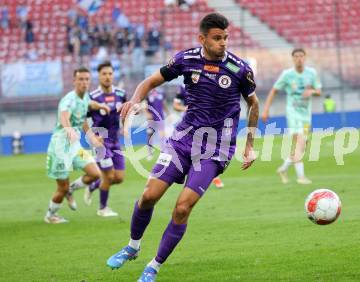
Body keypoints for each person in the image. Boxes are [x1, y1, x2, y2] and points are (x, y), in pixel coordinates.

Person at [106, 13, 259, 282]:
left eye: (225, 37)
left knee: (182, 207)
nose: (223, 43)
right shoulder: (185, 59)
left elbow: (254, 104)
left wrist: (250, 146)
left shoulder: (240, 69)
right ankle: (132, 247)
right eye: (217, 38)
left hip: (216, 148)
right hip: (182, 141)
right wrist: (134, 100)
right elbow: (150, 82)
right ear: (202, 38)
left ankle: (153, 266)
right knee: (149, 196)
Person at [44, 67, 110, 224]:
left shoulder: (84, 97)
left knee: (95, 173)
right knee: (61, 187)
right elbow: (64, 116)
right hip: (60, 148)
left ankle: (71, 190)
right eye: (81, 79)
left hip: (75, 148)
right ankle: (51, 214)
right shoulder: (69, 99)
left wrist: (100, 106)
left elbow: (88, 107)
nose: (84, 82)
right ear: (74, 81)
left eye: (87, 79)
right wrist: (68, 129)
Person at [70, 61, 127, 217]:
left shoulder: (121, 94)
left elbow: (124, 112)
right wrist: (91, 136)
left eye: (110, 73)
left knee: (119, 178)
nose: (107, 77)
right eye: (104, 74)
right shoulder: (92, 97)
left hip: (115, 141)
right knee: (108, 176)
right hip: (100, 143)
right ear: (99, 76)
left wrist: (124, 125)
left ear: (113, 75)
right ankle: (102, 208)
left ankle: (93, 185)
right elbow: (81, 119)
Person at [262, 48, 321, 185]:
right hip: (293, 113)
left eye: (301, 56)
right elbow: (274, 90)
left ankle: (283, 169)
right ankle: (301, 177)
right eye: (296, 56)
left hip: (306, 115)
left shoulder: (311, 73)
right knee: (300, 142)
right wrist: (266, 110)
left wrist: (311, 91)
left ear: (305, 57)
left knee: (302, 145)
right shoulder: (287, 74)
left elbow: (319, 91)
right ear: (292, 59)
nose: (299, 58)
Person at [173, 84, 225, 188]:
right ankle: (184, 172)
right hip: (188, 123)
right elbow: (176, 106)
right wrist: (186, 109)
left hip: (206, 122)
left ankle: (212, 175)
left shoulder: (208, 83)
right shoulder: (183, 87)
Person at [145, 88, 168, 161]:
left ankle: (163, 155)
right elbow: (145, 106)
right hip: (151, 120)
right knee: (150, 136)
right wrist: (147, 114)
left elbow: (164, 104)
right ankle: (149, 154)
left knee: (162, 137)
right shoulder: (148, 93)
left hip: (160, 119)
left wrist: (168, 113)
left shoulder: (162, 92)